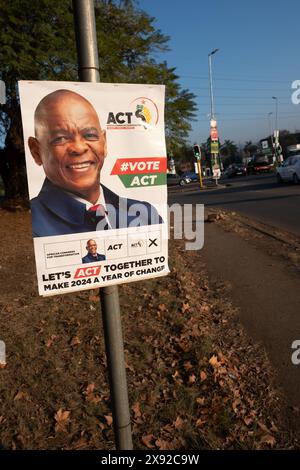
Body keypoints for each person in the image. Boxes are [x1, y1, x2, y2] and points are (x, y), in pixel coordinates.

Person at [28, 89, 162, 237]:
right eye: (60, 138)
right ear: (36, 151)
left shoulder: (145, 215)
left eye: (90, 135)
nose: (79, 148)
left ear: (104, 143)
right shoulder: (32, 227)